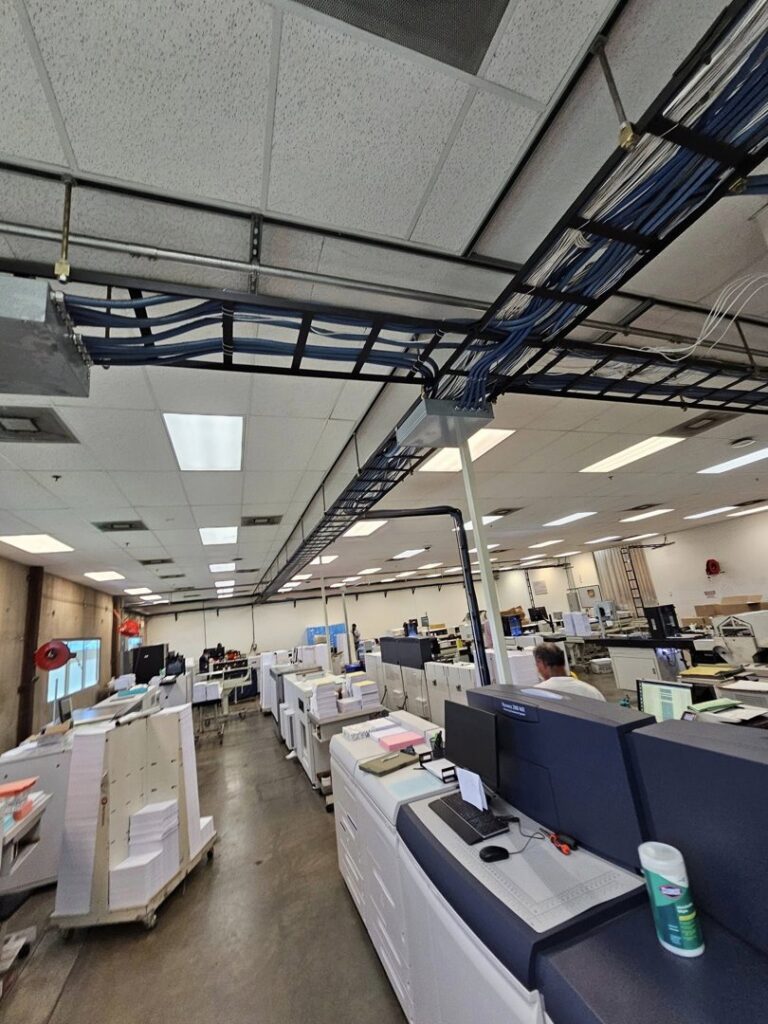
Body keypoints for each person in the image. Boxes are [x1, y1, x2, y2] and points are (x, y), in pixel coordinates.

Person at [533, 643, 606, 701]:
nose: (538, 670)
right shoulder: (592, 692)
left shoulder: (535, 694)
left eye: (537, 665)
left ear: (543, 664)